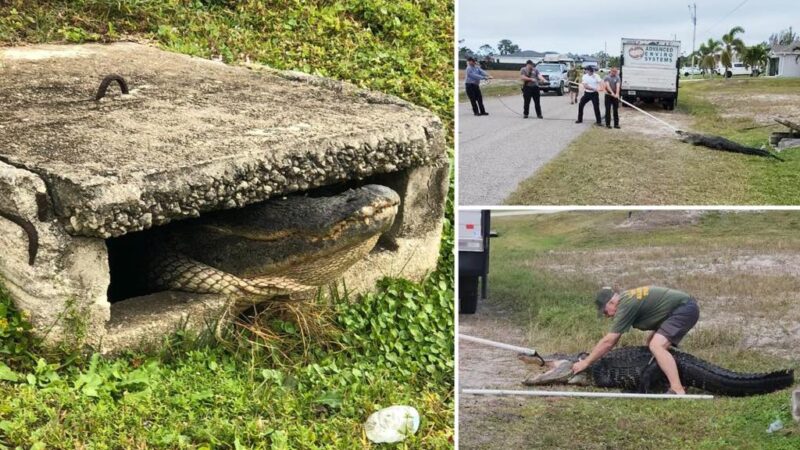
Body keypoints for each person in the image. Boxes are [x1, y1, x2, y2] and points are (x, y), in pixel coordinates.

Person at [571, 285, 701, 395]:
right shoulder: (626, 298)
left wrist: (586, 362)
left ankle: (677, 389)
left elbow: (609, 341)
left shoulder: (624, 305)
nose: (607, 316)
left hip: (683, 309)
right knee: (651, 345)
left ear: (611, 302)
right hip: (679, 309)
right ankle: (671, 379)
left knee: (657, 346)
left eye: (605, 312)